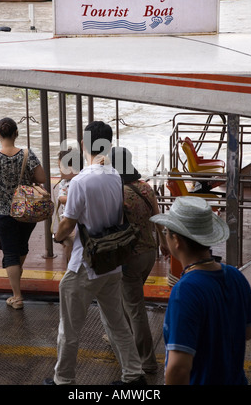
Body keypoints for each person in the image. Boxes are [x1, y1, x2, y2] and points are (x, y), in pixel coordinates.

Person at [44, 121, 145, 386]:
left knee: (69, 329)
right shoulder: (114, 176)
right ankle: (133, 375)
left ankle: (63, 380)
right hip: (110, 264)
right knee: (117, 324)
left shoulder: (80, 181)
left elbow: (68, 223)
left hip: (84, 264)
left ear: (83, 145)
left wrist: (56, 236)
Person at [150, 196, 251, 385]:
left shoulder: (185, 291)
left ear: (177, 241)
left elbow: (178, 368)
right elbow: (249, 332)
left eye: (167, 231)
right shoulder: (235, 276)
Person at [111, 146, 169, 374]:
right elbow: (157, 216)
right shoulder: (146, 187)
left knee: (136, 307)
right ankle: (116, 335)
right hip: (149, 254)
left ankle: (146, 360)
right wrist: (163, 242)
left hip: (130, 256)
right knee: (129, 297)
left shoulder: (118, 191)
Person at [0, 117, 46, 310]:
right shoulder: (27, 154)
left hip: (3, 212)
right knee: (22, 246)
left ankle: (16, 297)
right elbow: (41, 177)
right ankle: (16, 273)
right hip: (26, 210)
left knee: (9, 252)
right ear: (16, 133)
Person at [56, 147, 82, 263]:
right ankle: (70, 264)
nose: (60, 170)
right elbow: (62, 198)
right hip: (69, 217)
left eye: (62, 167)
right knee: (68, 244)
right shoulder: (64, 183)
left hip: (81, 219)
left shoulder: (82, 180)